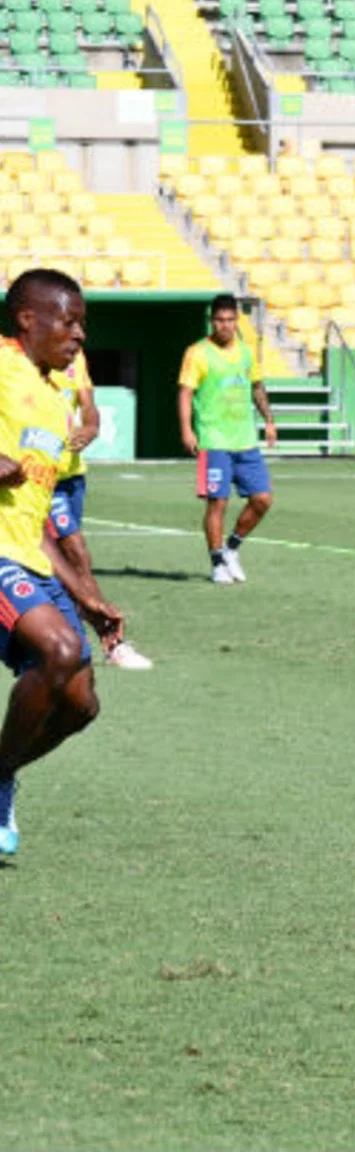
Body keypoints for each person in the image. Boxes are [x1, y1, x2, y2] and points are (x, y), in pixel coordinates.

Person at [0, 270, 127, 855]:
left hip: (28, 555)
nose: (78, 334)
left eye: (83, 324)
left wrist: (84, 594)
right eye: (68, 320)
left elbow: (36, 517)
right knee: (58, 649)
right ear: (28, 319)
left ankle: (3, 776)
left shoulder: (54, 401)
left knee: (80, 705)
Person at [47, 347, 153, 669]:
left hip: (72, 475)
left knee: (62, 562)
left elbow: (89, 407)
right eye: (69, 322)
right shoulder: (14, 361)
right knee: (77, 554)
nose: (77, 332)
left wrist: (91, 427)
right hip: (40, 477)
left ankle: (60, 634)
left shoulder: (74, 357)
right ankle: (113, 641)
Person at [177, 295, 277, 585]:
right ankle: (217, 563)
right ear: (212, 321)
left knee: (262, 499)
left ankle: (231, 549)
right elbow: (185, 393)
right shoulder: (197, 353)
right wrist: (187, 430)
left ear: (237, 320)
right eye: (219, 320)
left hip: (245, 439)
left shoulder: (246, 353)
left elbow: (257, 387)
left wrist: (269, 420)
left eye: (230, 320)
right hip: (213, 439)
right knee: (217, 503)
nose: (225, 325)